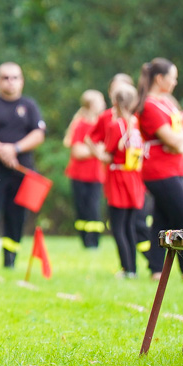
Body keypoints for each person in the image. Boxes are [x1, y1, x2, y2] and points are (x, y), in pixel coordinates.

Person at [0, 61, 46, 268]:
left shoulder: (29, 106)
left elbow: (39, 134)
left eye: (15, 78)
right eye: (5, 78)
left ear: (22, 81)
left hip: (21, 172)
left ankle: (10, 261)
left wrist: (15, 149)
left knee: (16, 218)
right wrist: (0, 149)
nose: (10, 82)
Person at [136, 57, 183, 280]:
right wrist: (179, 142)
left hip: (175, 167)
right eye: (173, 78)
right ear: (160, 79)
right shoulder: (149, 106)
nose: (175, 82)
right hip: (159, 171)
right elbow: (174, 139)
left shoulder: (168, 102)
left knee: (161, 219)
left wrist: (180, 142)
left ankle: (155, 269)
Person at [101, 84, 145, 278]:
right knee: (129, 225)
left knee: (117, 225)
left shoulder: (115, 125)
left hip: (118, 177)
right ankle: (132, 268)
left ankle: (127, 269)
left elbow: (108, 154)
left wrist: (94, 150)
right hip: (135, 177)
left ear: (115, 102)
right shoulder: (138, 124)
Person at [63, 89, 106, 248]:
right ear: (92, 104)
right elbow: (77, 151)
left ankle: (94, 242)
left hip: (96, 175)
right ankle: (86, 242)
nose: (104, 104)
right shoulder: (80, 124)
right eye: (101, 101)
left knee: (94, 209)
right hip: (79, 174)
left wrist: (90, 149)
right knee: (82, 209)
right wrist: (96, 150)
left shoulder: (101, 123)